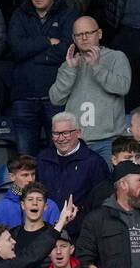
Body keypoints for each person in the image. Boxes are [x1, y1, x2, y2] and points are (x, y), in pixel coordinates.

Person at [48, 18, 132, 163]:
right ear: (74, 38)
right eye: (79, 35)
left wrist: (97, 67)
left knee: (109, 183)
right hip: (77, 142)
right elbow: (55, 98)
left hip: (109, 140)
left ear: (99, 34)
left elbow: (123, 87)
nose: (84, 37)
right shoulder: (68, 64)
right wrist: (70, 70)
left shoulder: (116, 57)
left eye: (89, 33)